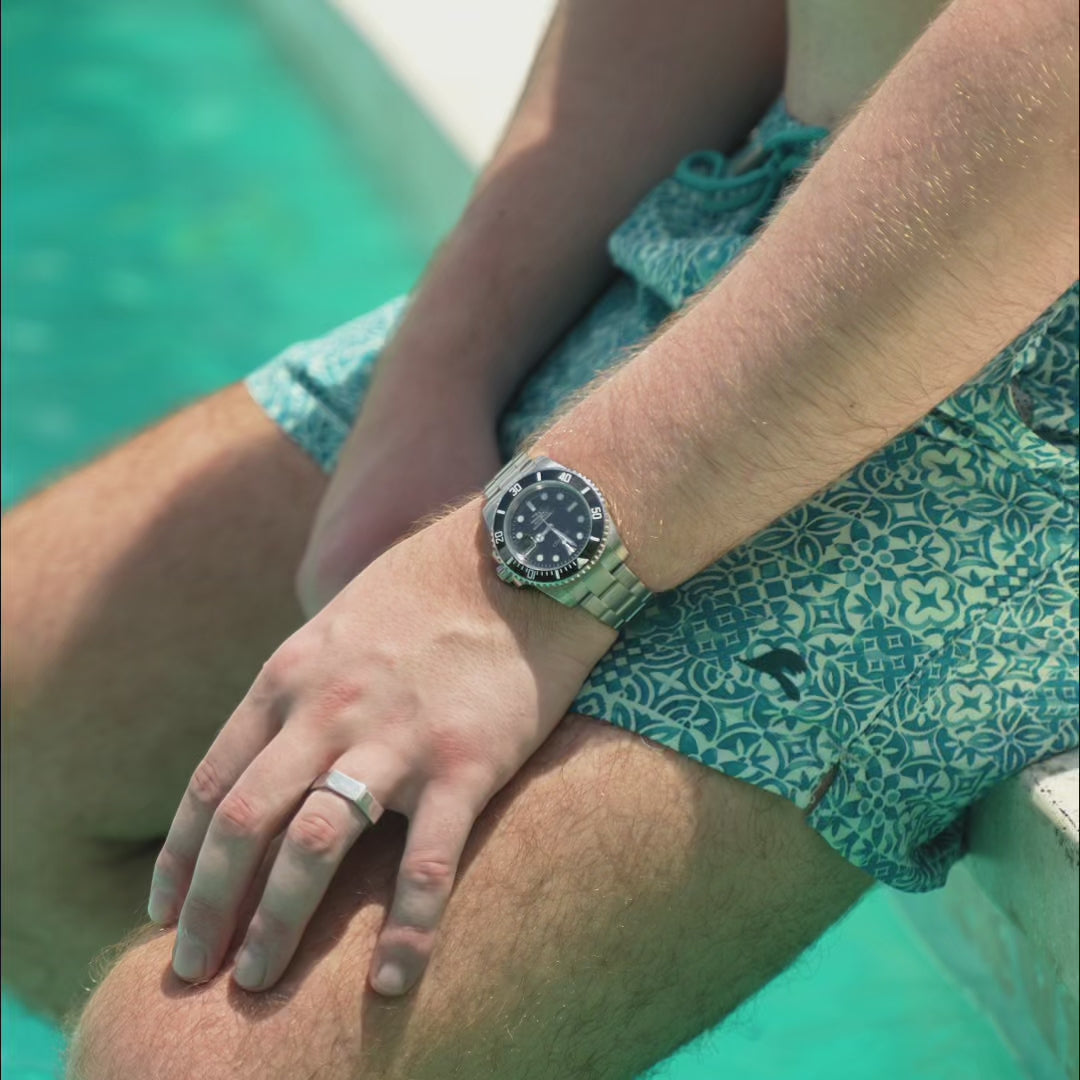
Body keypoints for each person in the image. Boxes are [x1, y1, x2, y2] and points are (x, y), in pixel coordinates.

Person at [2, 0, 1076, 1075]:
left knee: (193, 1059)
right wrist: (442, 367)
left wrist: (508, 589)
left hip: (1013, 355)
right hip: (765, 197)